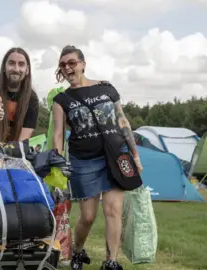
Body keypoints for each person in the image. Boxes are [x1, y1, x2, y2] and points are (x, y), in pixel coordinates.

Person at [51, 45, 143, 270]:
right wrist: (58, 164)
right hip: (84, 161)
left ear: (83, 63)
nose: (68, 68)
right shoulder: (61, 99)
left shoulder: (107, 89)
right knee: (88, 217)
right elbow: (58, 134)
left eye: (72, 63)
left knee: (113, 211)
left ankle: (111, 262)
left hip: (115, 156)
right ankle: (78, 252)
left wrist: (135, 155)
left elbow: (122, 121)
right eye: (63, 65)